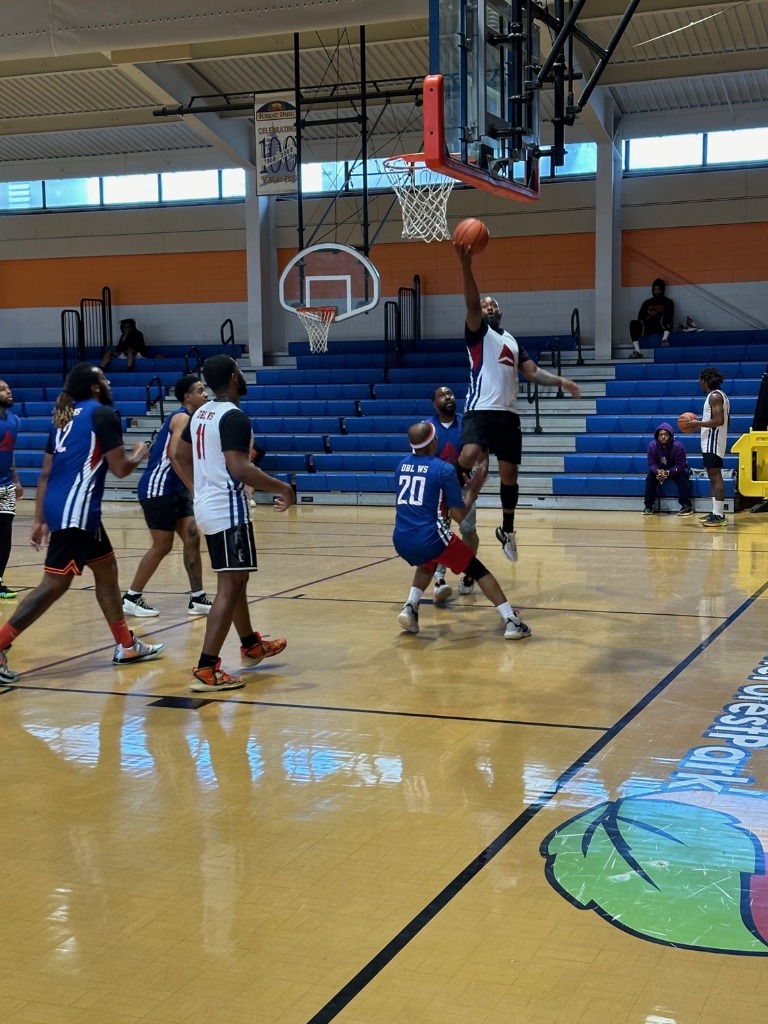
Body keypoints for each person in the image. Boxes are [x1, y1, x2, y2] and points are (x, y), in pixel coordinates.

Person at [0, 364, 164, 683]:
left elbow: (46, 473)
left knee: (107, 571)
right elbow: (120, 469)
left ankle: (126, 645)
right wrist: (139, 454)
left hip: (66, 507)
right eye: (103, 378)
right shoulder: (102, 414)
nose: (109, 381)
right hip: (78, 509)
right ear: (94, 387)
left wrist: (40, 518)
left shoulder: (62, 419)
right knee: (54, 585)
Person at [173, 354, 295, 692]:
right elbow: (240, 469)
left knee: (236, 579)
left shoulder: (200, 414)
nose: (242, 375)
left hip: (208, 507)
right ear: (233, 377)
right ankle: (206, 669)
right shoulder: (233, 416)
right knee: (229, 586)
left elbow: (179, 456)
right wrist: (284, 487)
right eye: (239, 371)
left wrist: (200, 488)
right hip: (227, 510)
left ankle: (251, 645)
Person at [453, 245, 581, 563]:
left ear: (500, 312)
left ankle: (507, 530)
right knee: (468, 454)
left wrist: (561, 381)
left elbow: (533, 372)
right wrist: (466, 267)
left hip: (508, 415)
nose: (487, 308)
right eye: (484, 305)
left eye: (493, 306)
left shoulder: (511, 340)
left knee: (510, 476)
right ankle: (445, 497)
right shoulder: (477, 333)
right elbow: (471, 302)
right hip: (480, 409)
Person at [393, 420, 531, 640]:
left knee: (428, 561)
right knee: (477, 569)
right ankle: (511, 621)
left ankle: (410, 607)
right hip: (430, 537)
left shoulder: (401, 465)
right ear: (434, 442)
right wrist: (473, 490)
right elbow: (459, 515)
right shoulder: (443, 469)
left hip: (401, 538)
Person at [122, 374, 214, 618]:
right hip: (158, 487)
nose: (206, 394)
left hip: (175, 488)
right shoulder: (182, 417)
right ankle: (131, 597)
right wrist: (194, 489)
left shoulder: (194, 421)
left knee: (192, 537)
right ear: (187, 397)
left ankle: (197, 598)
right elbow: (174, 456)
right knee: (163, 545)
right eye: (200, 390)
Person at [427, 385, 484, 602]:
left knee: (468, 529)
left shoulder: (466, 424)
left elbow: (481, 455)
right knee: (439, 532)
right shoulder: (427, 427)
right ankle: (439, 578)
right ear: (434, 404)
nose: (448, 397)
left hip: (462, 486)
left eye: (449, 393)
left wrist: (477, 480)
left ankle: (469, 572)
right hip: (437, 488)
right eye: (442, 395)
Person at [686, 367, 731, 527]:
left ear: (706, 380)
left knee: (715, 476)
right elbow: (727, 421)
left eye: (700, 379)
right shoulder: (721, 395)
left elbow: (719, 420)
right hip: (715, 440)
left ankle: (719, 515)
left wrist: (697, 423)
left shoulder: (714, 397)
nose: (699, 383)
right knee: (713, 476)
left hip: (713, 441)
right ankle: (716, 512)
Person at [0, 379, 23, 598]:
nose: (8, 391)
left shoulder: (14, 420)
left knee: (5, 534)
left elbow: (9, 452)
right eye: (2, 389)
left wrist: (16, 480)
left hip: (6, 486)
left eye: (8, 387)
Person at [642, 422, 693, 516]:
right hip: (660, 471)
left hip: (675, 471)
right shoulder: (652, 446)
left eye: (666, 435)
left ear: (670, 436)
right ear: (657, 437)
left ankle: (686, 505)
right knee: (650, 477)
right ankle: (648, 506)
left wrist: (668, 472)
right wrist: (657, 471)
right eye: (661, 435)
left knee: (684, 474)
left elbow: (680, 465)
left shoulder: (678, 447)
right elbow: (651, 463)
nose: (663, 437)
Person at [629, 279, 675, 358]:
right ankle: (637, 351)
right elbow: (640, 317)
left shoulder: (668, 302)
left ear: (662, 289)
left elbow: (670, 315)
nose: (656, 291)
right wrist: (649, 316)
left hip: (661, 327)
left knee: (666, 318)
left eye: (659, 289)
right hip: (647, 327)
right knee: (633, 323)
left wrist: (657, 314)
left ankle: (664, 340)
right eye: (655, 289)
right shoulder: (647, 302)